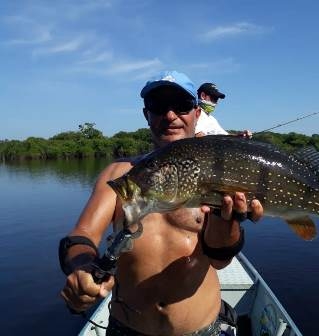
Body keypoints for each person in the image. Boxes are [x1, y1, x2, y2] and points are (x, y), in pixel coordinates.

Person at [59, 70, 263, 336]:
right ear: (147, 115)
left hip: (203, 329)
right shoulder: (119, 175)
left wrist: (230, 219)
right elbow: (81, 235)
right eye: (159, 106)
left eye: (182, 106)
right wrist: (82, 267)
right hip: (127, 329)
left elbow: (220, 260)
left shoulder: (217, 171)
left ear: (197, 114)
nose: (170, 115)